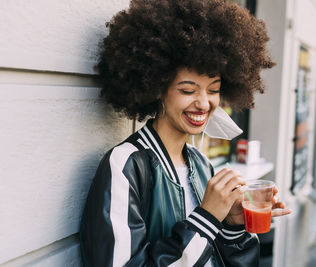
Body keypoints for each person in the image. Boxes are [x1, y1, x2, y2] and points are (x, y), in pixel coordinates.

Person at [80, 0, 291, 266]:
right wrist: (207, 218)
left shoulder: (202, 164)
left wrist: (232, 227)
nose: (204, 103)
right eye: (188, 90)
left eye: (213, 90)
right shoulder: (127, 165)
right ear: (157, 87)